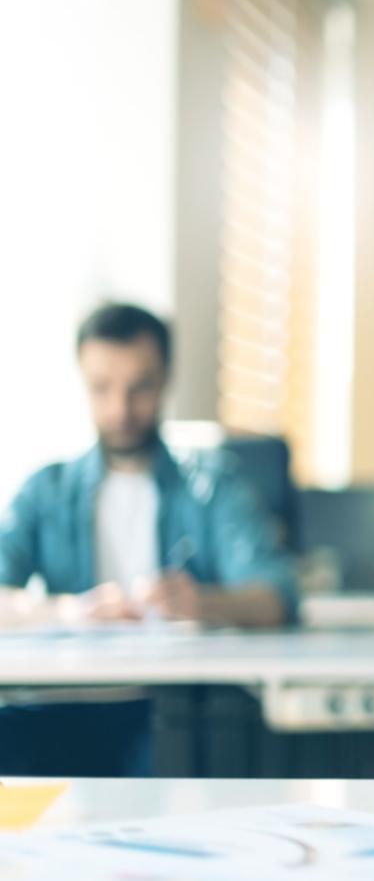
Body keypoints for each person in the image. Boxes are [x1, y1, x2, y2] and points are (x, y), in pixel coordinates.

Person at [0, 302, 297, 774]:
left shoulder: (212, 486)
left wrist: (203, 601)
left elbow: (276, 596)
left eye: (139, 387)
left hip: (174, 713)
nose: (120, 409)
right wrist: (68, 611)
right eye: (102, 388)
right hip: (62, 705)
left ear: (165, 381)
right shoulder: (45, 490)